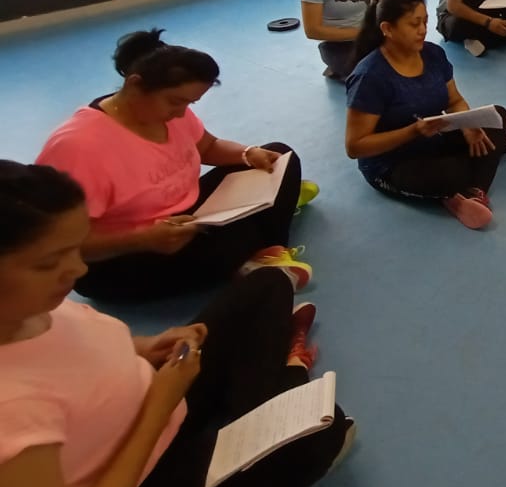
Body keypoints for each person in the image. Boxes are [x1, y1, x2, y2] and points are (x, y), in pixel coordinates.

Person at [0, 161, 352, 487]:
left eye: (75, 249)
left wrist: (145, 347)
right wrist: (159, 407)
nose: (77, 269)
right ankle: (281, 384)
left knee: (269, 283)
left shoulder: (25, 306)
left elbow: (67, 350)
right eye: (49, 263)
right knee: (323, 431)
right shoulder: (12, 410)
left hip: (154, 403)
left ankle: (266, 401)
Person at [36, 30, 310, 303]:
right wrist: (143, 239)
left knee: (279, 157)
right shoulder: (77, 147)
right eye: (176, 102)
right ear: (134, 85)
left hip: (184, 218)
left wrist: (248, 154)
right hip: (118, 257)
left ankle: (262, 251)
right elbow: (58, 242)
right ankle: (260, 247)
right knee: (233, 240)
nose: (181, 113)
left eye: (189, 103)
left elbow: (208, 147)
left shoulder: (169, 112)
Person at [347, 0, 506, 230]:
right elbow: (356, 146)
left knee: (498, 116)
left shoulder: (433, 54)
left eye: (425, 21)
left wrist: (469, 126)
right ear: (387, 29)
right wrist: (412, 132)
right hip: (391, 163)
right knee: (453, 173)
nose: (423, 30)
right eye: (414, 24)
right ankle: (466, 182)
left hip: (433, 140)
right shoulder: (370, 77)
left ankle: (473, 192)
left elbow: (454, 100)